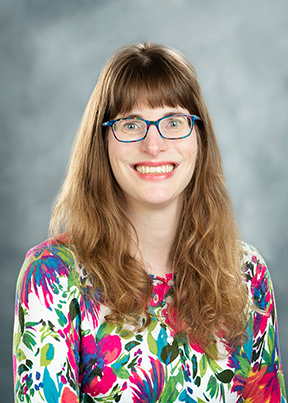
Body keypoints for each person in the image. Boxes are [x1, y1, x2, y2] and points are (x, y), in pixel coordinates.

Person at [13, 42, 286, 403]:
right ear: (103, 141)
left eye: (174, 122)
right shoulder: (54, 276)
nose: (154, 145)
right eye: (131, 124)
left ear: (199, 139)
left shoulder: (246, 273)